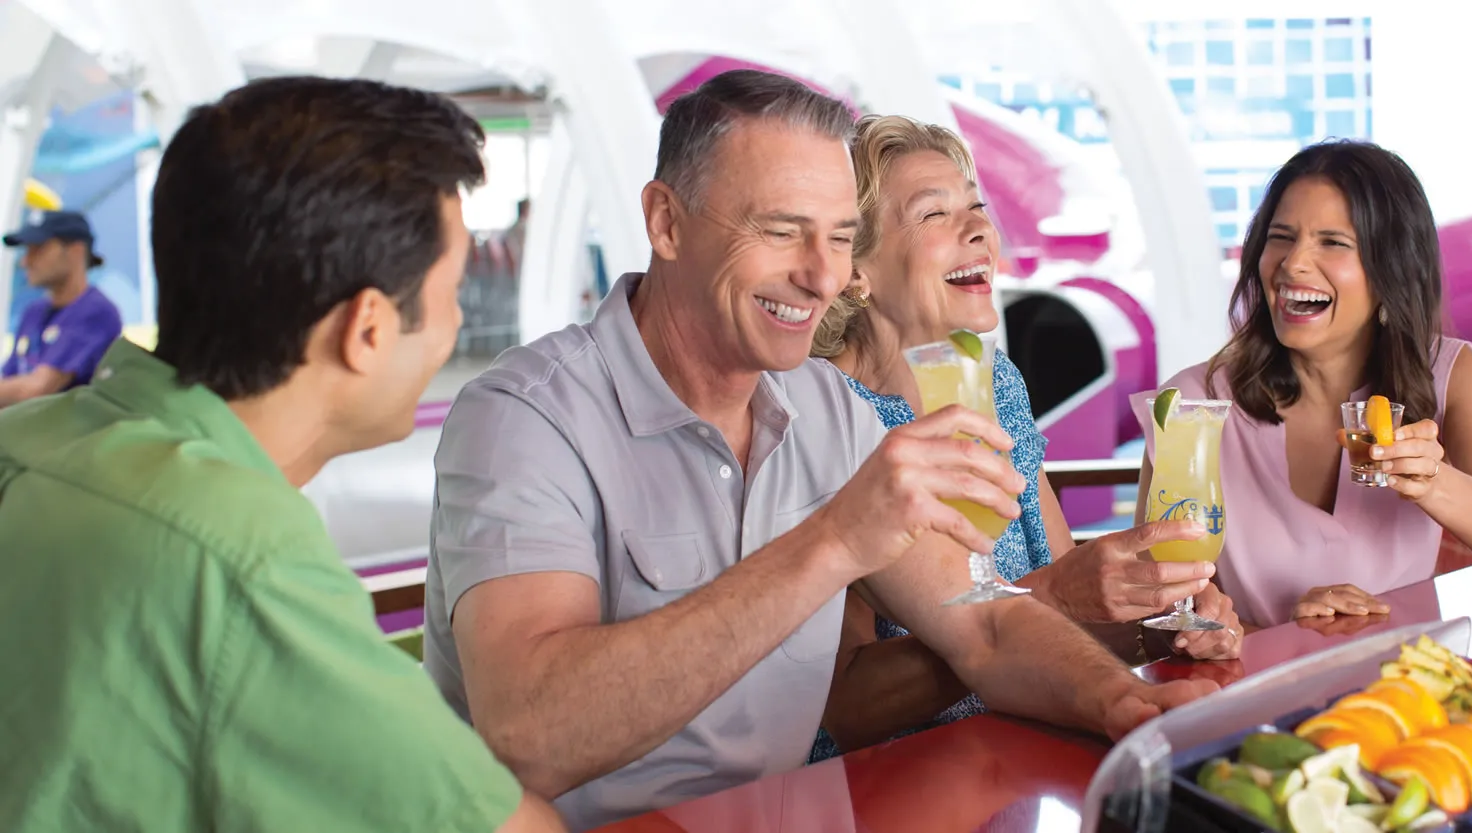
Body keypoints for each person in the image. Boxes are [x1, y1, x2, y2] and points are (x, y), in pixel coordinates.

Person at [424, 69, 1215, 831]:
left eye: (841, 237)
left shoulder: (827, 407)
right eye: (780, 231)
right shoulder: (524, 417)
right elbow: (529, 736)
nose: (821, 274)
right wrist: (834, 540)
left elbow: (986, 626)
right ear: (665, 222)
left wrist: (1126, 703)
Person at [0, 77, 564, 832]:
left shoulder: (30, 440)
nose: (457, 322)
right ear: (367, 329)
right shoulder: (242, 556)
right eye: (452, 290)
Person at [806, 114, 1241, 759]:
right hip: (896, 781)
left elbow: (1059, 605)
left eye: (977, 207)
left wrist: (1160, 624)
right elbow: (843, 706)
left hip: (1019, 750)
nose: (980, 228)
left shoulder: (998, 384)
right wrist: (1057, 596)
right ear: (855, 267)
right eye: (934, 215)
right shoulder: (824, 418)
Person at [1135, 139, 1472, 630]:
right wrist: (1265, 629)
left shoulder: (1449, 374)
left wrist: (1432, 481)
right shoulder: (1191, 404)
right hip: (1256, 694)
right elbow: (1152, 596)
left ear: (1389, 268)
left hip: (1405, 692)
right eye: (1281, 237)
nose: (1293, 264)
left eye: (1332, 242)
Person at [0, 210, 122, 407]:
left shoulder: (95, 312)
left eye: (38, 249)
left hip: (71, 436)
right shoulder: (34, 312)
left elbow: (37, 389)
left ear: (76, 251)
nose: (25, 261)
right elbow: (10, 379)